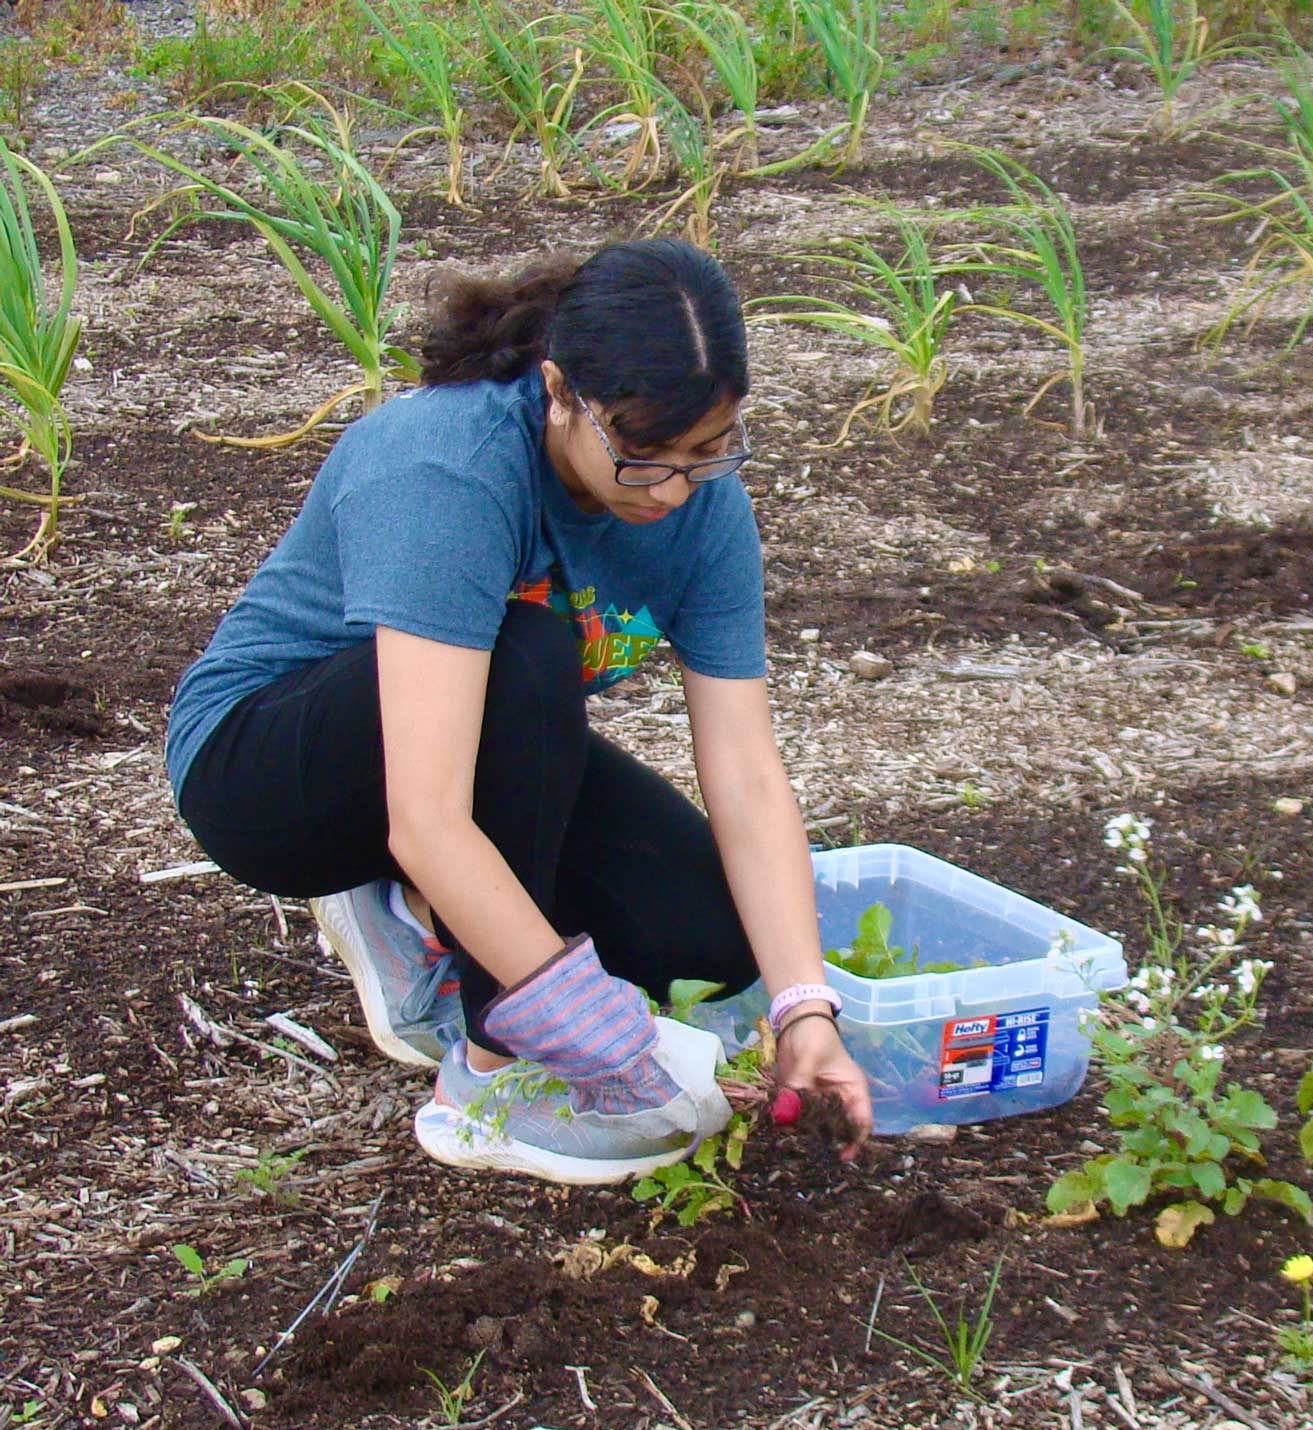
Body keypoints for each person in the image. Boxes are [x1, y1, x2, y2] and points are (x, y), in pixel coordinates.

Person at [165, 237, 873, 1185]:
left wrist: (804, 1009)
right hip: (266, 771)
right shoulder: (445, 467)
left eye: (706, 453)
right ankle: (485, 1081)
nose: (669, 490)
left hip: (466, 752)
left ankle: (419, 916)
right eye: (639, 452)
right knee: (527, 646)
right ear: (557, 391)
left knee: (703, 936)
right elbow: (425, 814)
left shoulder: (704, 511)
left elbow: (745, 772)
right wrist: (590, 1037)